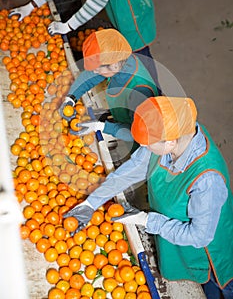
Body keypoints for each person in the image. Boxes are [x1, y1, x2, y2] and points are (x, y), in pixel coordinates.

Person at [64, 96, 233, 299]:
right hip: (177, 241)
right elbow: (130, 171)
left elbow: (199, 236)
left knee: (217, 289)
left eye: (149, 145)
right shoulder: (172, 135)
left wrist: (146, 220)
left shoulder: (207, 179)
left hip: (209, 254)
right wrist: (91, 203)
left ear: (170, 142)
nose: (146, 149)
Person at [8, 0, 159, 82]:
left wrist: (68, 26)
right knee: (124, 58)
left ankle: (156, 102)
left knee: (140, 62)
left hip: (133, 11)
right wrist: (31, 5)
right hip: (116, 7)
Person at [60, 28, 160, 152]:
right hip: (125, 119)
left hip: (144, 141)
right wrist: (70, 98)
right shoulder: (120, 60)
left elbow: (136, 134)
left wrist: (102, 126)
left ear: (113, 65)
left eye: (97, 69)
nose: (94, 72)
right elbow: (89, 77)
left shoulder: (139, 91)